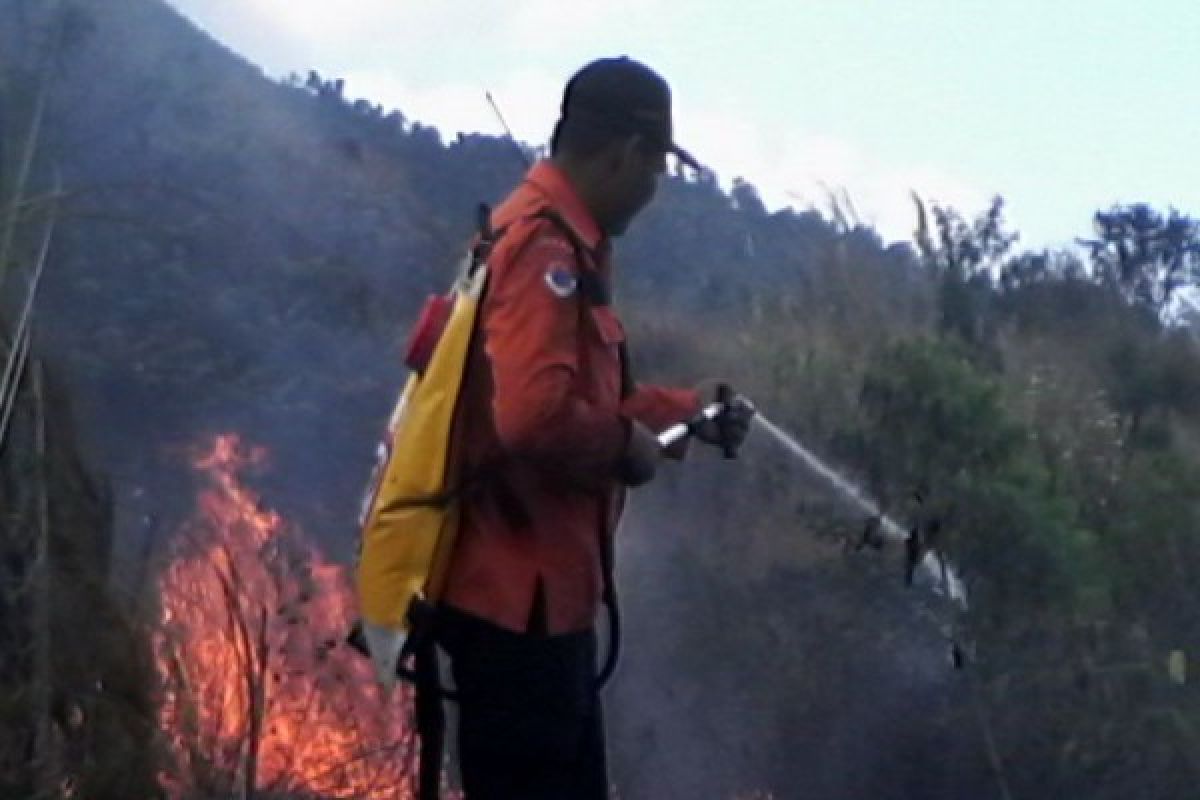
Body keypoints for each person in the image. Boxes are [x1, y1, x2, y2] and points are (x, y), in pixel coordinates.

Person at [435, 56, 753, 799]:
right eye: (655, 169)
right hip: (519, 611)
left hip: (538, 605)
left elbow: (577, 400)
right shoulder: (545, 253)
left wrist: (684, 412)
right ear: (626, 154)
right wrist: (627, 450)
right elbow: (534, 419)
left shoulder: (546, 241)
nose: (653, 191)